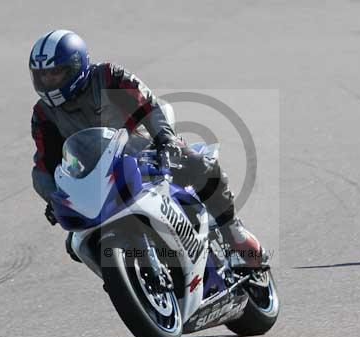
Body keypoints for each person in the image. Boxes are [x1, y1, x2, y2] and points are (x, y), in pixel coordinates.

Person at [28, 29, 264, 267]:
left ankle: (233, 231)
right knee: (75, 244)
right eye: (43, 75)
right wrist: (54, 199)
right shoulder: (43, 114)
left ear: (76, 66)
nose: (48, 81)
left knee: (199, 164)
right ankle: (125, 274)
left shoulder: (108, 76)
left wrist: (166, 139)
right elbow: (45, 165)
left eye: (55, 73)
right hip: (98, 181)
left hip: (145, 153)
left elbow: (147, 104)